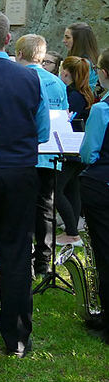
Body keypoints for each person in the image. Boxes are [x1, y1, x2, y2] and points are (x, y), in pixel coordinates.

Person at [0, 8, 50, 358]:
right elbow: (43, 132)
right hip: (19, 173)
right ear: (7, 40)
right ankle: (17, 337)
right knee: (17, 254)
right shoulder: (31, 78)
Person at [15, 34, 69, 275]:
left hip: (25, 154)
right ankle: (44, 262)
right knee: (45, 208)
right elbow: (64, 115)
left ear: (19, 54)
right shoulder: (56, 82)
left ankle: (23, 258)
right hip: (50, 154)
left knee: (21, 208)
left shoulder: (20, 78)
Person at [77, 48, 109, 341]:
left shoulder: (102, 109)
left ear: (104, 73)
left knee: (104, 251)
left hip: (102, 185)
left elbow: (89, 153)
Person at [56, 56, 97, 245]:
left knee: (56, 190)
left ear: (65, 72)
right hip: (79, 148)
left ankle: (72, 232)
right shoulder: (85, 93)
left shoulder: (72, 95)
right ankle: (73, 231)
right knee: (72, 189)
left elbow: (66, 119)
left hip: (70, 148)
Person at [64, 22, 100, 91]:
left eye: (68, 38)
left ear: (79, 40)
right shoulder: (91, 59)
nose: (64, 41)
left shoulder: (84, 63)